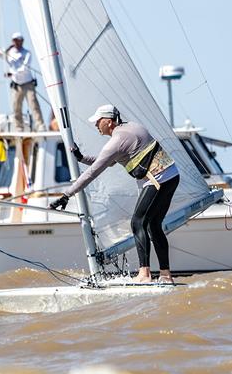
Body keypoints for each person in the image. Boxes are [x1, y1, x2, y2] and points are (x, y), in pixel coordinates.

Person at [48, 104, 180, 283]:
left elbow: (93, 172)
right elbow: (107, 161)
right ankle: (166, 275)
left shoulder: (117, 140)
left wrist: (66, 195)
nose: (96, 125)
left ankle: (144, 274)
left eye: (98, 121)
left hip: (157, 180)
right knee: (153, 225)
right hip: (171, 176)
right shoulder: (131, 128)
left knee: (138, 222)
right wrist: (81, 158)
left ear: (109, 122)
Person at [3, 32, 46, 132]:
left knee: (33, 104)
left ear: (22, 41)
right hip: (16, 85)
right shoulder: (10, 53)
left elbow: (25, 68)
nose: (16, 42)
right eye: (14, 40)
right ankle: (19, 127)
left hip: (28, 83)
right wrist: (6, 50)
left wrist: (12, 73)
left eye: (18, 40)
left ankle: (40, 125)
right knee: (16, 107)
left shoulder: (27, 53)